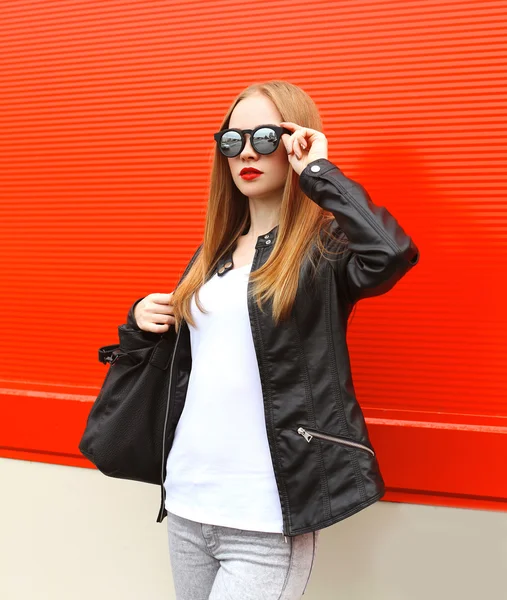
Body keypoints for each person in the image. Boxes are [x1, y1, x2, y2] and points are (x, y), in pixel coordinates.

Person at [126, 80, 419, 600]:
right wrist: (141, 319)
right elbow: (199, 365)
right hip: (190, 501)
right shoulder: (211, 253)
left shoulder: (322, 251)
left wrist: (319, 174)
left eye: (265, 137)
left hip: (266, 514)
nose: (246, 153)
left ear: (294, 141)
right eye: (231, 140)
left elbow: (390, 255)